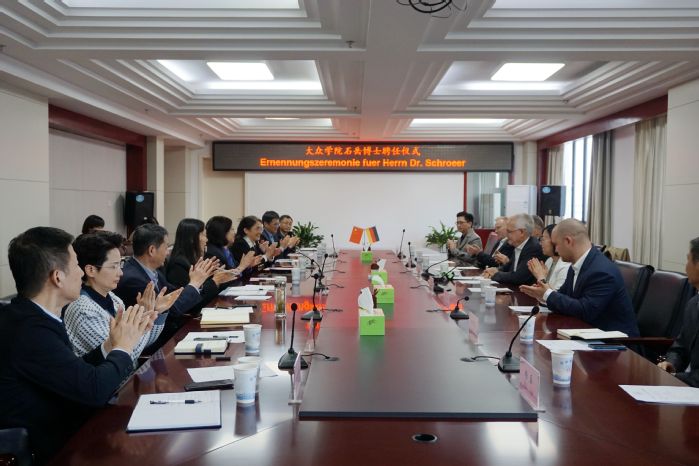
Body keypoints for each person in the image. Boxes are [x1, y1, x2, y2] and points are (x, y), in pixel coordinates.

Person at [0, 227, 152, 463]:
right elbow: (94, 390)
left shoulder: (34, 316)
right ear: (57, 277)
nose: (82, 272)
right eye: (75, 265)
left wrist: (110, 345)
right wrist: (123, 347)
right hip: (50, 449)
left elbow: (73, 370)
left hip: (69, 429)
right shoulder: (29, 331)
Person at [64, 232, 180, 364]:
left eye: (120, 265)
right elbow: (123, 354)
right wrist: (143, 319)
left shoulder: (114, 299)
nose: (120, 272)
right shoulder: (83, 311)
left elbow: (142, 343)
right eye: (113, 266)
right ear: (91, 270)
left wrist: (155, 313)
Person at [519, 219, 640, 336]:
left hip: (615, 342)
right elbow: (564, 297)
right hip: (586, 332)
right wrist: (542, 295)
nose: (555, 249)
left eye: (556, 244)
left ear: (568, 241)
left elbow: (585, 311)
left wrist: (547, 294)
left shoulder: (601, 271)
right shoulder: (576, 265)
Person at [114, 223, 217, 349]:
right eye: (166, 247)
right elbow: (172, 309)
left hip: (168, 335)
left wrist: (197, 282)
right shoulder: (133, 279)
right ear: (152, 250)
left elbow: (173, 293)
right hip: (156, 344)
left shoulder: (152, 270)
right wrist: (194, 283)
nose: (168, 252)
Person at [165, 218, 241, 313]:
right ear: (192, 239)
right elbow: (190, 304)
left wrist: (218, 278)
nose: (206, 240)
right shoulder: (178, 265)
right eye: (204, 235)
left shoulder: (194, 259)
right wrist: (215, 281)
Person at [658, 237, 699, 386]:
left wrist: (675, 377)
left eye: (688, 260)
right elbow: (680, 347)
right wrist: (671, 363)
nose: (685, 267)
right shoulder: (693, 303)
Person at [483, 213, 544, 285]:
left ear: (522, 232)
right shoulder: (518, 245)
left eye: (509, 231)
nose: (507, 235)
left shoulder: (533, 248)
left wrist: (495, 274)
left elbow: (519, 277)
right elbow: (507, 267)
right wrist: (495, 270)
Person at [526, 224, 571, 291]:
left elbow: (556, 295)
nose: (540, 243)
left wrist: (540, 276)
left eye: (543, 239)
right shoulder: (549, 260)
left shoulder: (566, 265)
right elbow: (547, 287)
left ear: (555, 240)